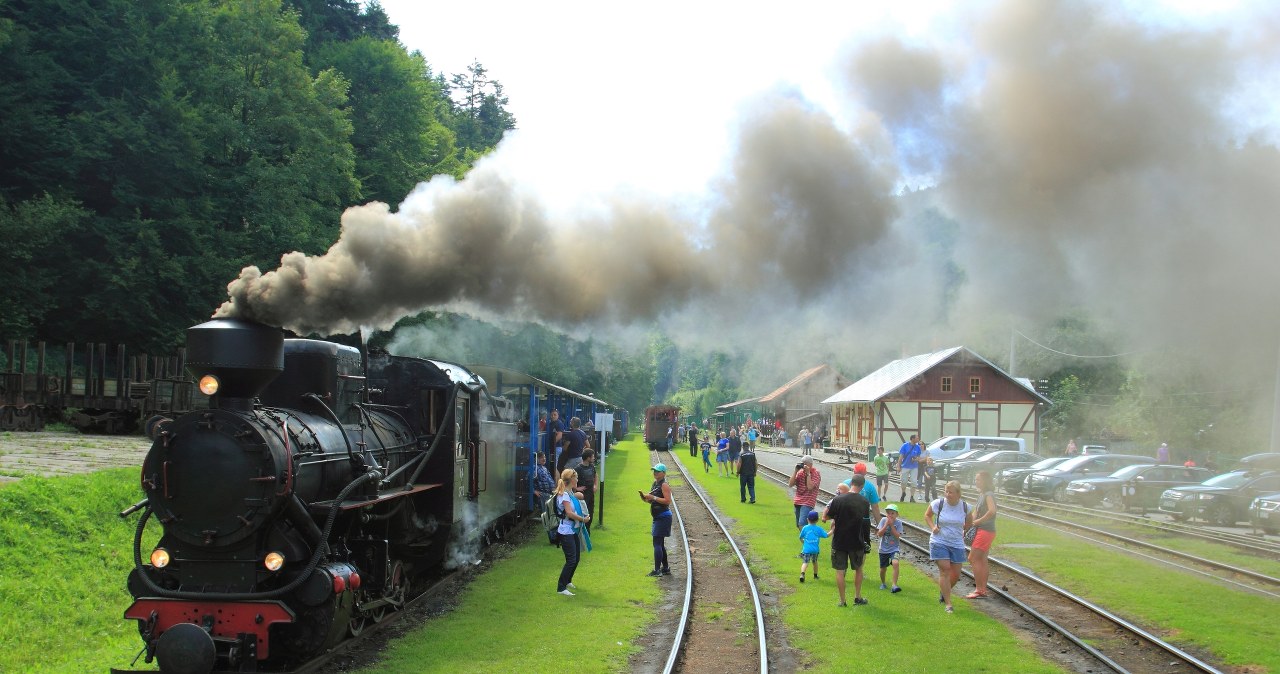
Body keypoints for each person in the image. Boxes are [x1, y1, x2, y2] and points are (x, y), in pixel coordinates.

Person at [925, 480, 973, 613]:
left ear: (958, 494)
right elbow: (927, 515)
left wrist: (963, 531)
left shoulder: (965, 507)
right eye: (946, 491)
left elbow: (969, 522)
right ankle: (948, 604)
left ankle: (944, 591)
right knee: (945, 570)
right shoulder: (938, 504)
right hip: (939, 541)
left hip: (957, 543)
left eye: (950, 492)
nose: (947, 494)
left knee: (956, 575)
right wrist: (933, 526)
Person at [823, 475, 871, 606]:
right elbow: (866, 523)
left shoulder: (838, 499)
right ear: (862, 486)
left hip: (839, 540)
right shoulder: (864, 502)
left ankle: (842, 601)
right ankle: (857, 597)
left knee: (840, 571)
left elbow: (828, 516)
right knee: (859, 569)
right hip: (856, 540)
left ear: (851, 483)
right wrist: (867, 541)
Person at [554, 469, 590, 595]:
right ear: (571, 479)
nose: (578, 480)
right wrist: (583, 519)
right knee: (571, 560)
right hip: (566, 531)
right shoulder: (564, 494)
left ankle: (568, 581)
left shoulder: (569, 492)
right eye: (576, 478)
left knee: (576, 558)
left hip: (572, 529)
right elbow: (569, 513)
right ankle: (561, 587)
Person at [966, 471, 998, 599]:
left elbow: (992, 511)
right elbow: (976, 511)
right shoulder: (982, 494)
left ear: (984, 481)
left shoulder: (988, 495)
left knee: (973, 558)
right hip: (983, 530)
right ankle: (982, 589)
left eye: (978, 479)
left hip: (985, 530)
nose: (976, 481)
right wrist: (969, 523)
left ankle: (980, 589)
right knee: (982, 559)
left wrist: (978, 521)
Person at [641, 463, 674, 577]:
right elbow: (653, 500)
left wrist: (653, 497)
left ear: (663, 473)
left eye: (658, 471)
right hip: (659, 517)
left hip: (663, 517)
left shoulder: (664, 485)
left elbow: (667, 501)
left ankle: (657, 570)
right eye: (654, 471)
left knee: (657, 543)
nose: (655, 473)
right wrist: (647, 499)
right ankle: (665, 568)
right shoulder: (655, 484)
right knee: (660, 543)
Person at [876, 503, 904, 592]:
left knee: (895, 563)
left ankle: (894, 585)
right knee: (883, 569)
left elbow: (897, 536)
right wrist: (886, 525)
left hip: (894, 548)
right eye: (888, 513)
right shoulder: (883, 520)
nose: (890, 515)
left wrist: (892, 525)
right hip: (883, 549)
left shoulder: (899, 523)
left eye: (892, 513)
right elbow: (879, 534)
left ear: (897, 514)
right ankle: (883, 583)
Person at [789, 456, 822, 529]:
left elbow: (810, 487)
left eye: (805, 464)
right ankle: (805, 540)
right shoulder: (800, 473)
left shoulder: (816, 473)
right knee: (798, 524)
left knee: (802, 523)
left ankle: (807, 540)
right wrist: (795, 471)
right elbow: (790, 484)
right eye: (802, 463)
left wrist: (808, 474)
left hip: (808, 501)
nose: (803, 465)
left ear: (810, 465)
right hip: (798, 501)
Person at [798, 510, 828, 583]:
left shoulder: (805, 528)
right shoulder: (818, 529)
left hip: (806, 550)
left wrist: (804, 543)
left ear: (807, 519)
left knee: (805, 562)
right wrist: (833, 530)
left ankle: (802, 574)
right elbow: (826, 535)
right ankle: (815, 575)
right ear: (817, 520)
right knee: (814, 562)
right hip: (815, 550)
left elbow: (800, 537)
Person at [576, 449, 599, 531]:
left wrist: (595, 485)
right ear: (588, 458)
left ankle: (587, 532)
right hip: (583, 496)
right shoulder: (578, 468)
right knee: (583, 514)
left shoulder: (592, 466)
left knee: (590, 514)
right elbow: (570, 480)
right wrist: (576, 488)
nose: (594, 458)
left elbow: (596, 475)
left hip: (591, 495)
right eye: (592, 456)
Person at [898, 435, 922, 503]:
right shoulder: (905, 446)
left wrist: (916, 459)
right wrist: (898, 466)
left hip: (914, 467)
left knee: (914, 482)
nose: (918, 439)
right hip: (905, 466)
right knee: (903, 481)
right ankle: (903, 493)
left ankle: (912, 497)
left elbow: (919, 457)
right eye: (917, 438)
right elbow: (901, 457)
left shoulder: (918, 447)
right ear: (912, 439)